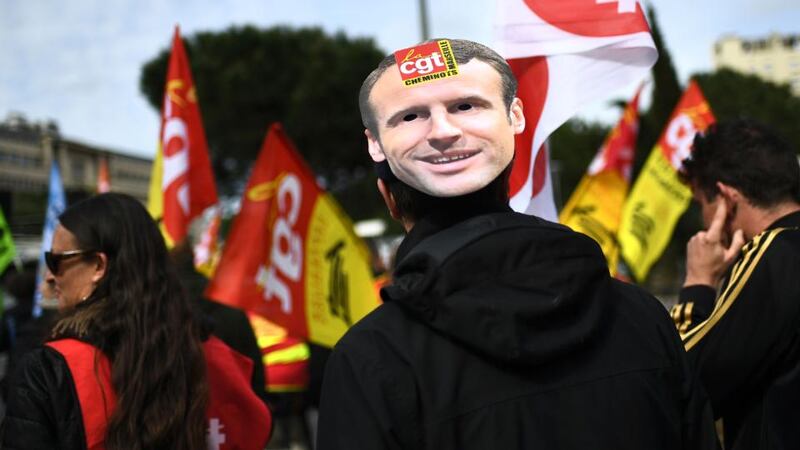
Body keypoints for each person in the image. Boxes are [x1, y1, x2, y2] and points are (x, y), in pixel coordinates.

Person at [316, 38, 718, 450]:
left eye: (465, 106)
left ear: (387, 198)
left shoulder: (370, 358)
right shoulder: (642, 316)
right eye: (412, 115)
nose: (443, 131)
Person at [1, 193, 271, 449]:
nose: (49, 276)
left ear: (98, 266)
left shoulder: (50, 369)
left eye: (56, 260)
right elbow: (255, 426)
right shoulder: (213, 353)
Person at [671, 119, 800, 450]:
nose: (703, 217)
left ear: (727, 200)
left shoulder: (773, 254)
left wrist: (699, 282)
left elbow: (680, 381)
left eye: (702, 203)